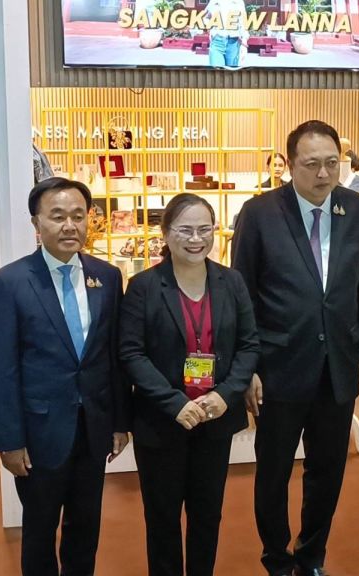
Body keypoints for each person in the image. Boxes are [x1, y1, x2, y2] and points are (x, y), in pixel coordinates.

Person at [232, 120, 359, 576]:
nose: (324, 174)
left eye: (333, 163)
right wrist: (248, 367)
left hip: (337, 366)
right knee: (274, 471)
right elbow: (243, 294)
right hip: (278, 367)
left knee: (328, 470)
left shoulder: (357, 209)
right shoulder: (259, 213)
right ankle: (276, 558)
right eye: (312, 164)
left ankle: (312, 555)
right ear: (290, 164)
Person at [0, 176, 131, 576]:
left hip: (93, 428)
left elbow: (113, 356)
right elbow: (1, 370)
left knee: (85, 527)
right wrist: (9, 440)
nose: (70, 225)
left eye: (78, 216)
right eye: (58, 216)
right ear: (37, 223)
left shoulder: (107, 276)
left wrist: (120, 421)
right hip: (39, 432)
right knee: (39, 530)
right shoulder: (10, 282)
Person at [119, 193, 260, 576]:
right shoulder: (144, 286)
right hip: (161, 422)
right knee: (162, 519)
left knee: (207, 515)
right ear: (166, 234)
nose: (196, 239)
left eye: (204, 229)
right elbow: (131, 353)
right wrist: (174, 403)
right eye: (185, 230)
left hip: (215, 420)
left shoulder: (231, 282)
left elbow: (249, 345)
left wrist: (225, 395)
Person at [205, 0, 248, 68]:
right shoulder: (214, 1)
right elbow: (205, 17)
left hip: (233, 43)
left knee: (231, 72)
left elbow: (243, 22)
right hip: (217, 41)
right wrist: (210, 30)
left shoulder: (239, 2)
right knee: (216, 71)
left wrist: (244, 40)